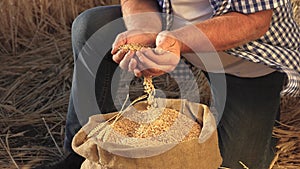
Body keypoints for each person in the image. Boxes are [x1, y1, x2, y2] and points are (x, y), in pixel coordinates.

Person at [35, 0, 299, 169]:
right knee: (93, 26)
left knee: (237, 163)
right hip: (172, 30)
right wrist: (146, 33)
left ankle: (265, 112)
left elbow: (254, 21)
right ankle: (83, 154)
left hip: (247, 55)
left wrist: (176, 42)